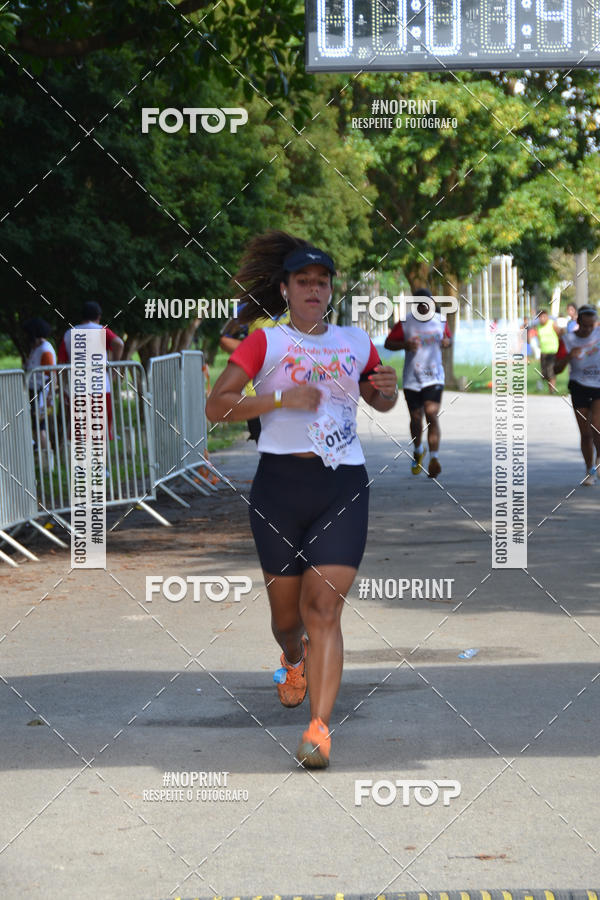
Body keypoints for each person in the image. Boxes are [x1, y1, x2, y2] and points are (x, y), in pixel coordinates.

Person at [205, 230, 398, 769]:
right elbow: (217, 407)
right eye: (303, 282)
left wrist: (388, 387)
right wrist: (280, 397)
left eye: (322, 282)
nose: (314, 290)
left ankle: (319, 729)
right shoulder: (265, 343)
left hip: (342, 484)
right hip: (279, 490)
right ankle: (292, 658)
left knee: (324, 609)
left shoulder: (356, 342)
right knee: (287, 619)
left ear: (331, 288)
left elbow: (381, 400)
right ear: (285, 289)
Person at [384, 288, 452, 478]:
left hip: (434, 376)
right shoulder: (406, 323)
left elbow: (449, 339)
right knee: (416, 418)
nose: (423, 307)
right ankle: (418, 449)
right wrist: (405, 345)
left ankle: (435, 458)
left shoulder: (441, 321)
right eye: (419, 304)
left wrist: (447, 342)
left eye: (426, 303)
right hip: (412, 378)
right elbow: (388, 343)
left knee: (431, 414)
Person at [219, 303, 290, 443]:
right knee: (267, 450)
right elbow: (225, 339)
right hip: (256, 394)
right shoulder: (250, 307)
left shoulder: (301, 302)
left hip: (294, 390)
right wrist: (259, 351)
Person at [57, 301, 124, 439]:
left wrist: (63, 388)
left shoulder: (69, 333)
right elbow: (119, 343)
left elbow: (61, 364)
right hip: (101, 388)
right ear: (99, 316)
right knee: (101, 433)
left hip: (77, 389)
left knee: (79, 432)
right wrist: (114, 367)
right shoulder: (101, 330)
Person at [554, 305, 600, 486]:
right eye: (585, 326)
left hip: (598, 386)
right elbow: (557, 369)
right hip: (579, 386)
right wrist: (568, 357)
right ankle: (590, 470)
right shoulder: (567, 339)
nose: (589, 330)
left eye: (592, 325)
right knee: (585, 433)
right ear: (578, 322)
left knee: (597, 427)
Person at [23, 317, 57, 450]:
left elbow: (52, 375)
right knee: (37, 426)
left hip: (42, 394)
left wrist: (49, 398)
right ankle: (43, 456)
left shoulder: (45, 350)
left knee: (40, 426)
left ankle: (47, 459)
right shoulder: (36, 348)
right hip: (35, 392)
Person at [535, 309, 561, 393]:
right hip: (543, 352)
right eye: (540, 317)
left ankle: (551, 390)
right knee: (544, 373)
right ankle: (548, 388)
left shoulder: (552, 324)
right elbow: (539, 337)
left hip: (553, 351)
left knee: (551, 372)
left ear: (547, 316)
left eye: (544, 316)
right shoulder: (538, 326)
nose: (542, 319)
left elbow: (559, 334)